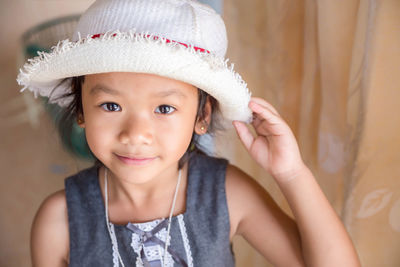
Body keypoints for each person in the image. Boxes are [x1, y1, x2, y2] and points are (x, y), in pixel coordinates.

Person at [17, 0, 361, 266]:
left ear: (203, 116)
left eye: (164, 109)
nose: (136, 134)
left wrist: (291, 173)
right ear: (80, 111)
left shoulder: (226, 194)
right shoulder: (59, 220)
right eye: (110, 106)